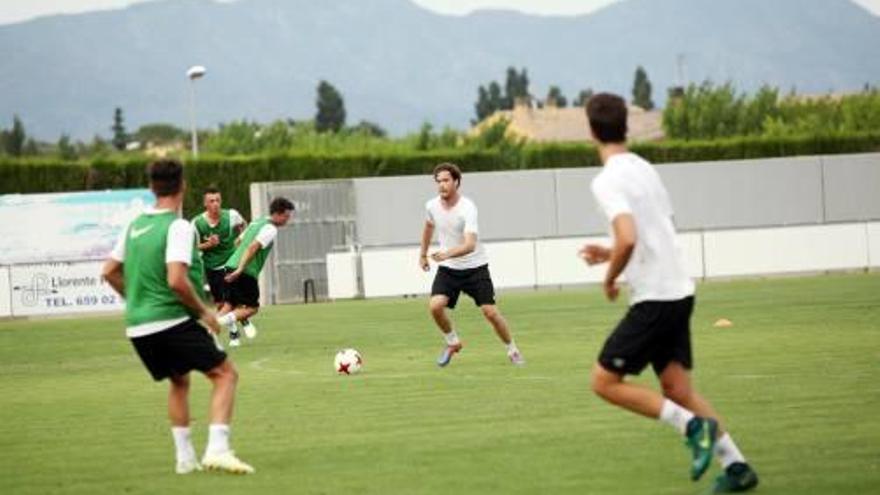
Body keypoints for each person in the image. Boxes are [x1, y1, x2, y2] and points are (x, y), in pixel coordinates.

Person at [580, 93, 757, 492]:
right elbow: (656, 231)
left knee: (604, 382)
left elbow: (628, 236)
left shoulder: (606, 180)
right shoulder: (645, 168)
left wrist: (610, 275)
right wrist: (610, 252)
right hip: (679, 289)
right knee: (677, 389)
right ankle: (737, 468)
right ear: (625, 125)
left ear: (591, 130)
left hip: (655, 297)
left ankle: (694, 427)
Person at [101, 159, 254, 475]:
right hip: (169, 321)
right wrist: (205, 313)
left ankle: (185, 461)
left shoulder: (135, 226)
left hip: (138, 326)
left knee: (179, 381)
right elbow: (176, 280)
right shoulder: (178, 226)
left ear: (151, 187)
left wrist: (138, 300)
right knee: (225, 375)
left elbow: (109, 271)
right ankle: (218, 450)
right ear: (183, 186)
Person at [419, 162, 524, 367]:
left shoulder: (467, 208)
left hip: (475, 268)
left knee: (490, 313)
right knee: (435, 306)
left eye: (446, 180)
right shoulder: (431, 206)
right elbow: (428, 226)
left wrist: (446, 253)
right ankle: (453, 342)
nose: (442, 185)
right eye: (438, 181)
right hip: (449, 269)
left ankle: (512, 349)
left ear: (456, 182)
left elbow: (470, 245)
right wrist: (422, 254)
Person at [217, 197, 295, 347]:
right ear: (277, 214)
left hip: (230, 265)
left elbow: (238, 241)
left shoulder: (256, 222)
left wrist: (236, 262)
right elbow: (253, 247)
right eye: (286, 216)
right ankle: (219, 322)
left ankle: (208, 333)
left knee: (229, 305)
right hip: (245, 271)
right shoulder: (270, 228)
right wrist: (240, 268)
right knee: (252, 308)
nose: (287, 219)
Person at [191, 186, 246, 309]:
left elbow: (243, 225)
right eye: (211, 201)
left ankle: (243, 323)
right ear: (205, 203)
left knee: (232, 300)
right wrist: (208, 244)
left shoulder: (232, 215)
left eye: (218, 200)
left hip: (230, 263)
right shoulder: (197, 223)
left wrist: (240, 238)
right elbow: (192, 248)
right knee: (220, 303)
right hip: (211, 266)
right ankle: (233, 326)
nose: (215, 204)